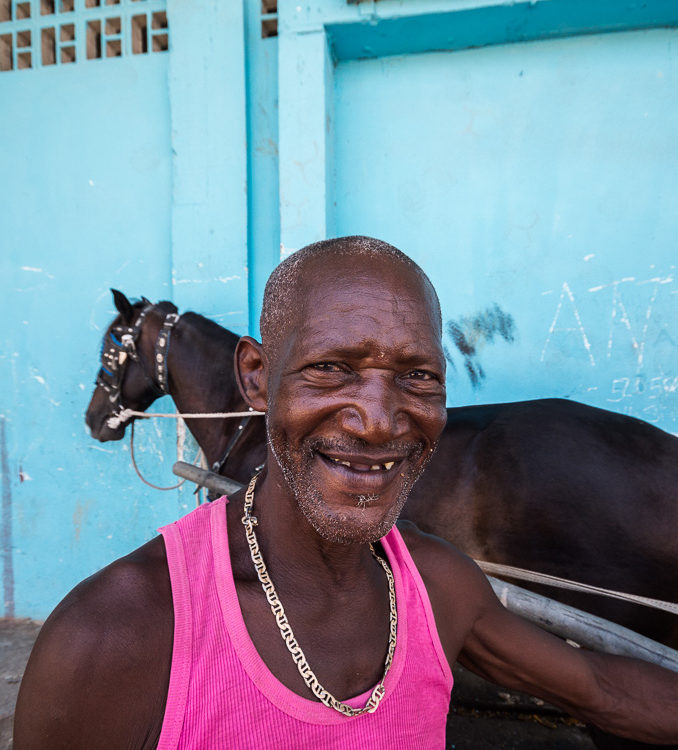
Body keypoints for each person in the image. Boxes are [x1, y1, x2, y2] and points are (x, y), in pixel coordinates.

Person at [14, 236, 678, 749]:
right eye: (332, 368)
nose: (381, 419)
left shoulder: (438, 587)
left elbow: (603, 689)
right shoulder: (114, 633)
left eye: (418, 376)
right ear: (255, 377)